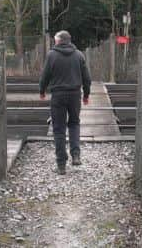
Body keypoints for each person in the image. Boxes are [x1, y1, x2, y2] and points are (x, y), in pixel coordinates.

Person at [39, 30, 91, 175]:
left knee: (59, 129)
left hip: (58, 95)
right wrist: (86, 94)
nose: (54, 42)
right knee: (74, 123)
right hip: (75, 95)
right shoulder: (79, 55)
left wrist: (42, 90)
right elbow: (87, 78)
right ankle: (76, 155)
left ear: (59, 40)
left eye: (55, 39)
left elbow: (45, 75)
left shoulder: (51, 55)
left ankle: (61, 164)